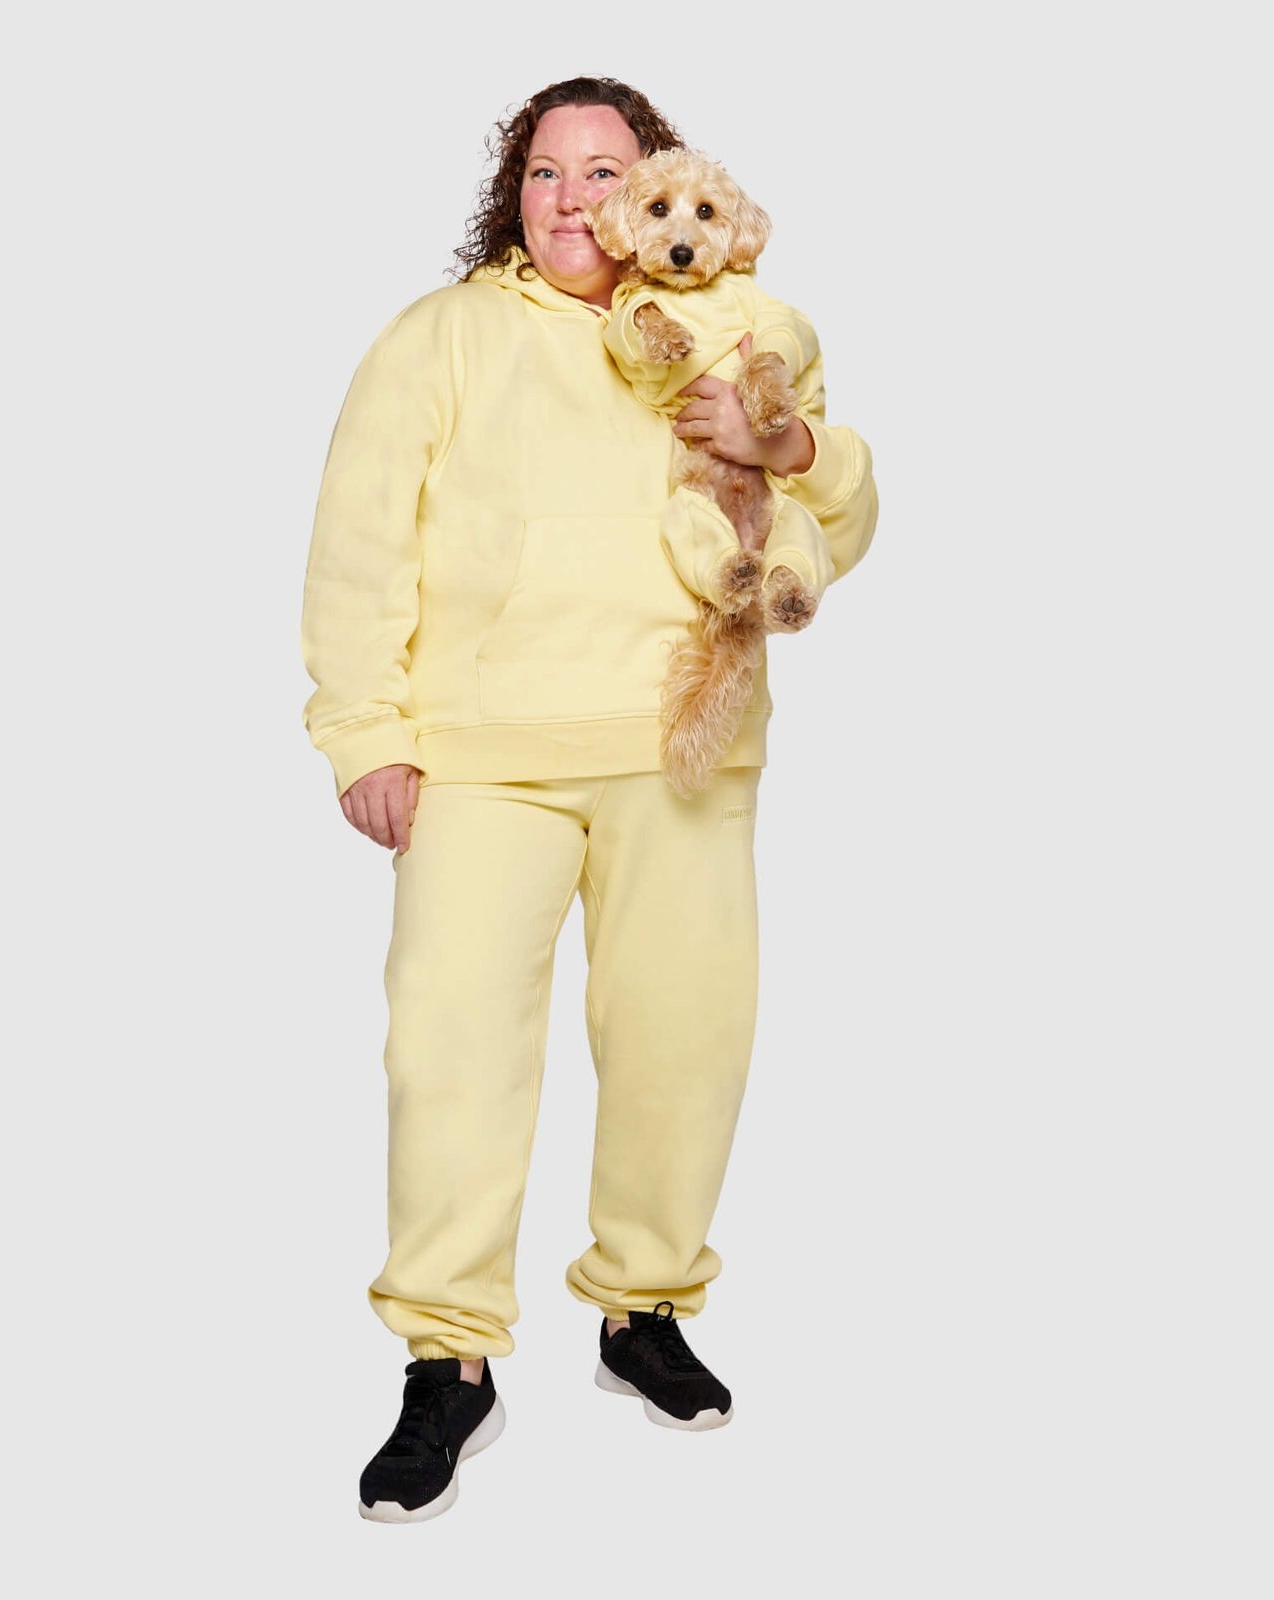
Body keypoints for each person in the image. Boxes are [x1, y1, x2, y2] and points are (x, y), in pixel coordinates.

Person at [299, 77, 879, 1523]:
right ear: (518, 191)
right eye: (545, 171)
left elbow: (848, 517)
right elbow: (359, 541)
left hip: (684, 743)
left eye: (603, 170)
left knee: (687, 1039)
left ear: (651, 188)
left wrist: (790, 448)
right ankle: (447, 1359)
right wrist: (364, 733)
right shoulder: (439, 337)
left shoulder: (738, 326)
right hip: (484, 749)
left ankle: (645, 1307)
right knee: (449, 1049)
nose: (571, 198)